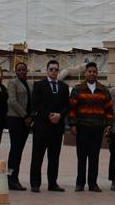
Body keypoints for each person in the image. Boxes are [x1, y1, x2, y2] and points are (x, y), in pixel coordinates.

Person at [69, 62, 113, 192]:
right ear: (85, 73)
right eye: (89, 71)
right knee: (82, 157)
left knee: (94, 157)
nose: (92, 74)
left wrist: (108, 124)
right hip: (82, 127)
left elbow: (109, 109)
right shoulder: (77, 89)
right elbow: (72, 108)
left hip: (97, 128)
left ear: (97, 73)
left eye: (94, 71)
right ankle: (80, 183)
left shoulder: (103, 90)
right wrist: (73, 124)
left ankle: (93, 183)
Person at [30, 59, 70, 193]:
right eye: (51, 69)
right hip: (42, 127)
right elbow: (36, 104)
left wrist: (60, 115)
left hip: (57, 128)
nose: (53, 71)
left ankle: (52, 183)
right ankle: (35, 183)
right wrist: (50, 115)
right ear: (47, 70)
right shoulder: (39, 85)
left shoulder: (64, 87)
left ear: (58, 71)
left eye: (56, 69)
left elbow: (67, 105)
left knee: (54, 157)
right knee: (37, 156)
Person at [7, 61, 33, 191]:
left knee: (19, 151)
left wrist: (31, 116)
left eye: (24, 69)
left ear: (27, 70)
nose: (22, 71)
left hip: (26, 121)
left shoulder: (30, 83)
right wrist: (25, 115)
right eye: (19, 70)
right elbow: (12, 101)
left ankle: (14, 178)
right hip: (16, 119)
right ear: (16, 72)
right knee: (15, 150)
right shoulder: (13, 83)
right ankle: (10, 178)